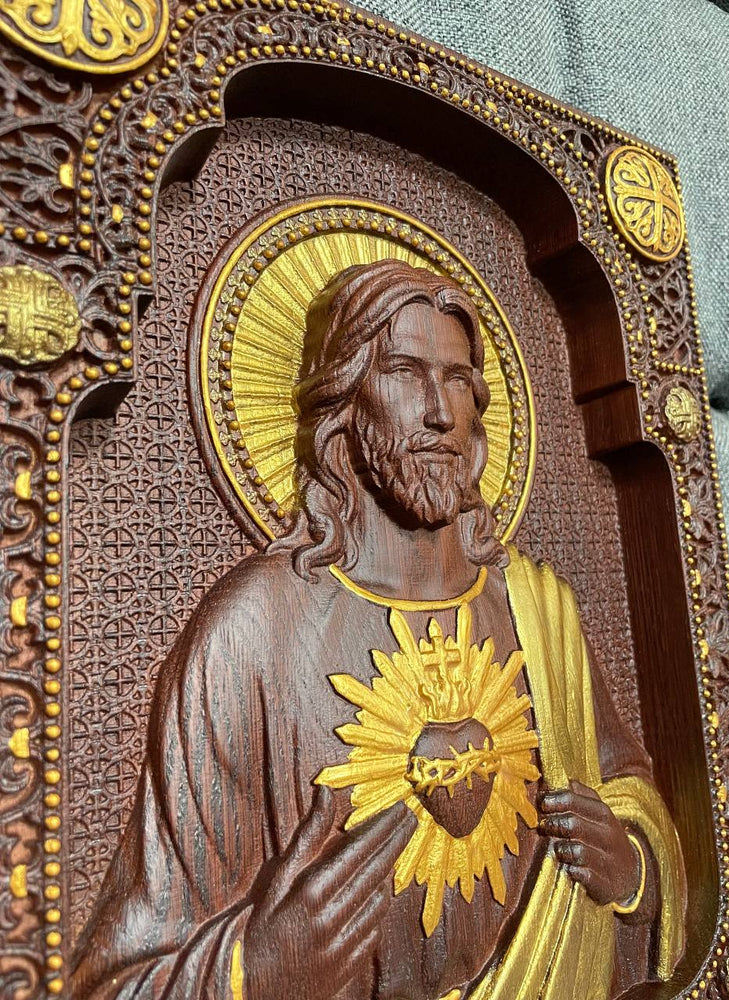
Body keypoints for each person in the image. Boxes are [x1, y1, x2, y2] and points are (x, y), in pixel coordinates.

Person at [72, 260, 686, 1000]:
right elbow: (114, 978)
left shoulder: (538, 613)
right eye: (403, 372)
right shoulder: (253, 631)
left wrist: (631, 870)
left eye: (457, 380)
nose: (440, 412)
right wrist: (254, 970)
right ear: (345, 402)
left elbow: (637, 802)